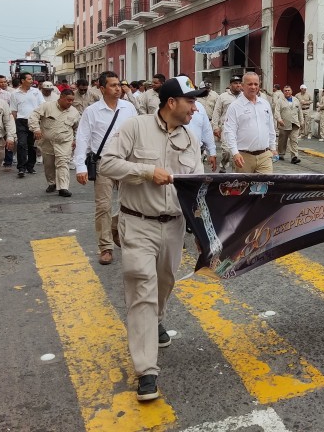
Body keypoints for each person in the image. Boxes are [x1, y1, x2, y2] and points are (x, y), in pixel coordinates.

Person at [99, 75, 206, 402]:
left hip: (174, 226)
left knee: (164, 281)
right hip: (138, 223)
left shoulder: (190, 137)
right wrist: (146, 171)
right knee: (141, 285)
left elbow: (196, 187)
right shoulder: (135, 127)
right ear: (171, 102)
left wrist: (202, 231)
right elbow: (106, 163)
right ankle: (146, 371)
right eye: (191, 100)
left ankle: (157, 319)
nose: (195, 107)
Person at [74, 71, 138, 265]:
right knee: (103, 206)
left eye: (119, 85)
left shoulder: (129, 108)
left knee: (132, 203)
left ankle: (116, 227)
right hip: (103, 163)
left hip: (126, 162)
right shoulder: (91, 111)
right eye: (112, 85)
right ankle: (106, 247)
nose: (118, 88)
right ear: (102, 89)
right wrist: (80, 167)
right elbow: (82, 138)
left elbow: (138, 134)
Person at [29, 88, 80, 198]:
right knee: (49, 164)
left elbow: (77, 128)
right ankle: (52, 183)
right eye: (68, 100)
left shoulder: (74, 112)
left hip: (64, 141)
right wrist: (36, 129)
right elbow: (34, 116)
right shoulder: (47, 106)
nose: (70, 103)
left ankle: (63, 187)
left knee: (63, 162)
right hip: (47, 142)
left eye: (72, 100)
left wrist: (76, 139)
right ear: (61, 97)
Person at [223, 72, 278, 173]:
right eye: (250, 84)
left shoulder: (265, 104)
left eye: (256, 84)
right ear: (243, 86)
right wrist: (235, 153)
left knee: (265, 187)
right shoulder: (235, 106)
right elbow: (229, 131)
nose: (253, 87)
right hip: (243, 157)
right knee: (243, 188)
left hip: (264, 156)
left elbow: (270, 128)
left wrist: (273, 147)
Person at [11, 72, 43, 178]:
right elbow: (14, 111)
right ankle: (21, 168)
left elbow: (42, 106)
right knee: (21, 144)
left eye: (31, 79)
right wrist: (15, 123)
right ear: (22, 81)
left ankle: (30, 166)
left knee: (32, 145)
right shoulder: (15, 94)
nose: (31, 81)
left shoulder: (36, 92)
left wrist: (39, 122)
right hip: (21, 121)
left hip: (34, 121)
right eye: (29, 79)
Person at [211, 74, 243, 173]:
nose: (238, 85)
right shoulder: (223, 97)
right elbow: (217, 112)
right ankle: (224, 164)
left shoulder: (244, 96)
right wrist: (215, 127)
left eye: (239, 83)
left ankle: (235, 172)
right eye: (235, 83)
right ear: (230, 85)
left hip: (241, 127)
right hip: (226, 126)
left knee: (238, 150)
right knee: (227, 150)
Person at [275, 85, 305, 164]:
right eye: (285, 90)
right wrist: (279, 119)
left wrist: (302, 121)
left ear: (291, 91)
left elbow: (300, 112)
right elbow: (277, 112)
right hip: (284, 124)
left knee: (294, 140)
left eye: (288, 90)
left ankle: (294, 156)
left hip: (294, 124)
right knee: (282, 140)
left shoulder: (296, 100)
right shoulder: (280, 101)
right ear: (283, 92)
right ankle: (281, 153)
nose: (287, 92)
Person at [185, 100, 217, 172]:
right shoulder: (168, 107)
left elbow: (206, 130)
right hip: (177, 154)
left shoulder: (199, 106)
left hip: (197, 153)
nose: (194, 109)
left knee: (197, 180)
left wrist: (212, 152)